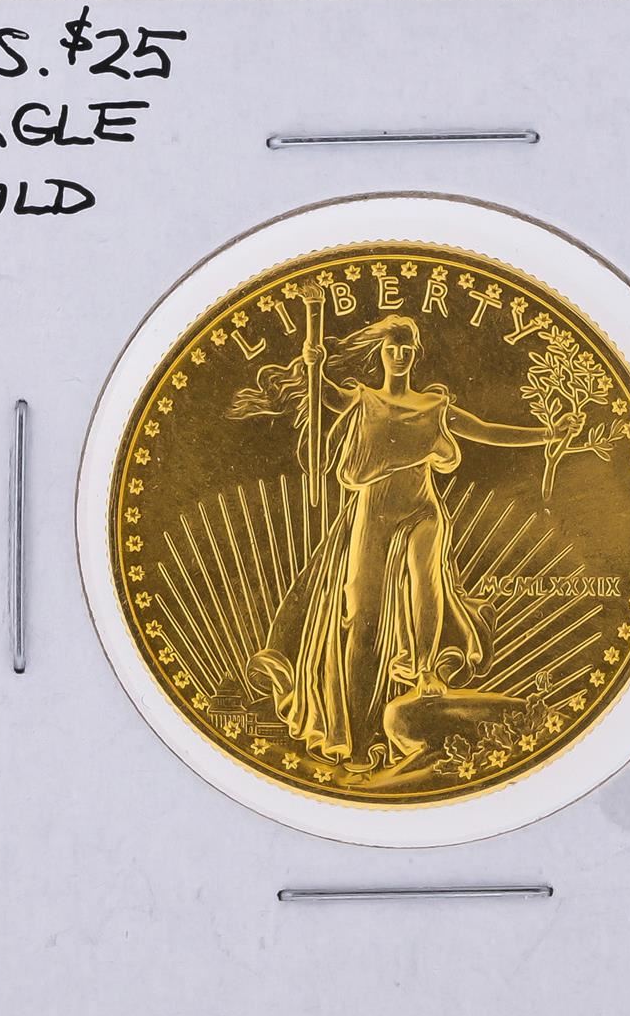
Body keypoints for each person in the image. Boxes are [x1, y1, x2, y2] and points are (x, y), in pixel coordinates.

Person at [229, 314, 578, 769]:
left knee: (426, 583)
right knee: (362, 615)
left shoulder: (434, 406)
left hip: (422, 509)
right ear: (381, 353)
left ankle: (425, 669)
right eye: (392, 348)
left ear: (415, 355)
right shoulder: (364, 399)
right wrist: (313, 361)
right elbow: (325, 394)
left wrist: (549, 434)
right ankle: (356, 738)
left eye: (406, 349)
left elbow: (487, 430)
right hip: (372, 512)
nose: (398, 355)